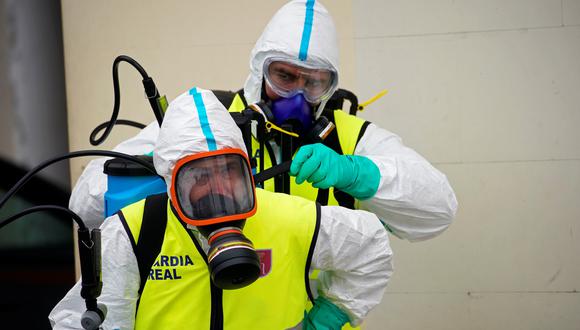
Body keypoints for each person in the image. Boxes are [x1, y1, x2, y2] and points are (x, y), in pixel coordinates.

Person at [70, 0, 457, 243]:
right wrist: (174, 172)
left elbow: (437, 210)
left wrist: (357, 174)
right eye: (284, 77)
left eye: (314, 82)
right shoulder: (207, 121)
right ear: (260, 72)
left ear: (331, 84)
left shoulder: (352, 139)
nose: (297, 97)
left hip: (312, 314)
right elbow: (87, 201)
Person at [50, 88, 393, 330]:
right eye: (198, 176)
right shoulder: (137, 229)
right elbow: (88, 318)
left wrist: (330, 316)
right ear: (172, 183)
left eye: (229, 171)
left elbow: (372, 248)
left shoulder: (289, 217)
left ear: (247, 170)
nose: (218, 190)